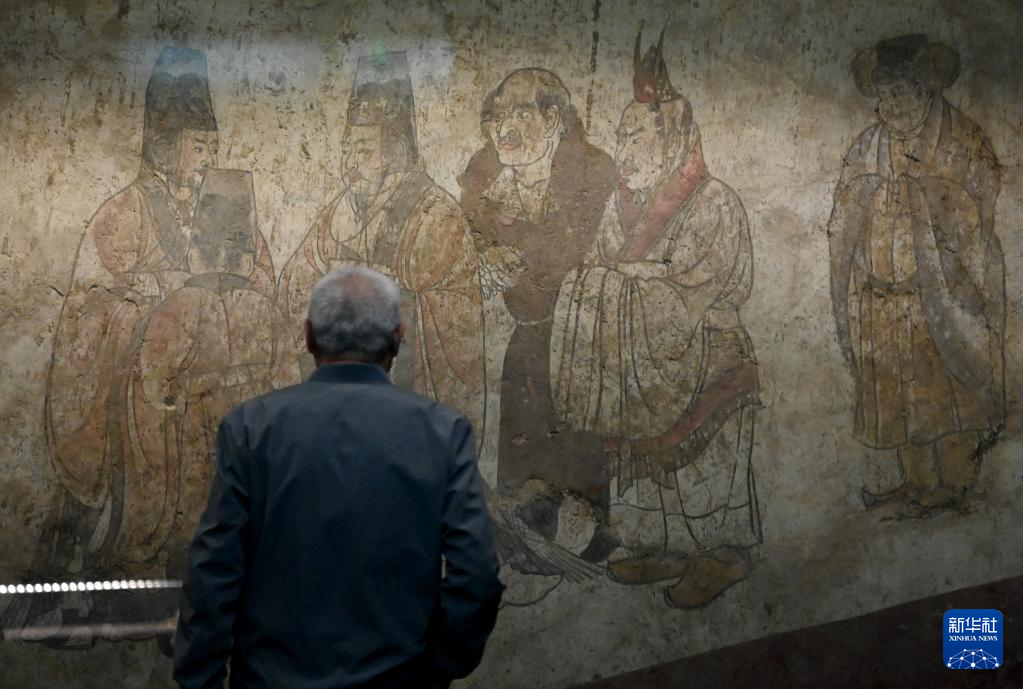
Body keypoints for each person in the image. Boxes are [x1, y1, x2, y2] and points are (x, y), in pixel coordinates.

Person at [19, 47, 281, 645]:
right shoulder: (124, 213)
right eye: (199, 146)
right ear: (165, 146)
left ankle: (202, 612)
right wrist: (157, 304)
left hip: (207, 397)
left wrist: (235, 285)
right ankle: (103, 605)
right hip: (145, 396)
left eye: (213, 146)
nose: (209, 157)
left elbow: (262, 284)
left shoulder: (227, 211)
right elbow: (88, 309)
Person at [174, 266, 504, 689]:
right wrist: (436, 667)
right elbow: (476, 575)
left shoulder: (251, 428)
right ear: (398, 338)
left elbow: (213, 571)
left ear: (309, 336)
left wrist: (199, 679)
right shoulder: (443, 432)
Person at [549, 28, 762, 608]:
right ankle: (661, 547)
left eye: (635, 136)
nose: (623, 148)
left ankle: (721, 554)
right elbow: (599, 265)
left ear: (672, 140)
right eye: (620, 135)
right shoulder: (620, 208)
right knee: (646, 467)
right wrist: (604, 283)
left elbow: (700, 284)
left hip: (706, 357)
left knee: (702, 469)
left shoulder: (714, 201)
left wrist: (629, 281)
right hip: (636, 359)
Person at [828, 34, 1006, 511]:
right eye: (884, 95)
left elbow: (981, 209)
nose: (891, 105)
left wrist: (924, 191)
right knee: (898, 394)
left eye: (901, 92)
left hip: (940, 295)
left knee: (948, 391)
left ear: (925, 90)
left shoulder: (960, 139)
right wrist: (867, 195)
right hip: (881, 296)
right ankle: (916, 481)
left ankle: (957, 483)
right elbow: (843, 210)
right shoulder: (868, 146)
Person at [278, 51, 486, 442]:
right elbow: (296, 272)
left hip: (408, 397)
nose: (349, 163)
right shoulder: (341, 209)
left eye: (362, 150)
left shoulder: (434, 211)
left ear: (393, 153)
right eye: (347, 150)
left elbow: (449, 312)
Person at [458, 68, 617, 560]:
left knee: (576, 449)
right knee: (522, 438)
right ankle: (528, 544)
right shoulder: (483, 176)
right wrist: (486, 250)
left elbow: (565, 254)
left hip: (580, 336)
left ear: (552, 119)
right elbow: (468, 234)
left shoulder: (592, 171)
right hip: (525, 334)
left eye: (521, 113)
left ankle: (586, 538)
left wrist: (517, 248)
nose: (504, 127)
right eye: (497, 116)